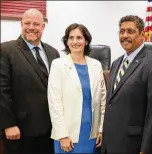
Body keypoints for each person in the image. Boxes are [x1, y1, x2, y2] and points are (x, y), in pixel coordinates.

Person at [101, 15, 152, 154]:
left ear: (142, 34)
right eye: (122, 31)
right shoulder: (116, 63)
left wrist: (147, 149)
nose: (125, 35)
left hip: (134, 145)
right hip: (111, 143)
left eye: (130, 31)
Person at [0, 8, 60, 154]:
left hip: (50, 130)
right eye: (27, 23)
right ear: (21, 24)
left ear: (43, 26)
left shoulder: (53, 52)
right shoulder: (6, 50)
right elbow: (2, 90)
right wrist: (8, 124)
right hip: (20, 130)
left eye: (36, 24)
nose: (31, 28)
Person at [47, 23, 106, 154]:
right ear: (66, 42)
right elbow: (54, 102)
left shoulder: (96, 65)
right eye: (71, 38)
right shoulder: (58, 65)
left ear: (86, 41)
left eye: (79, 38)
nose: (75, 41)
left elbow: (103, 100)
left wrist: (101, 129)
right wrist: (62, 134)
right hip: (67, 134)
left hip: (92, 133)